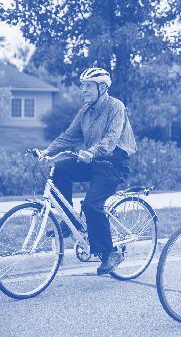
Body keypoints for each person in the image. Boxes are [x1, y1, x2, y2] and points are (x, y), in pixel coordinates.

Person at [39, 67, 137, 275]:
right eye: (82, 86)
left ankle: (110, 253)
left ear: (102, 88)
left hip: (114, 163)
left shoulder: (115, 107)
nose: (83, 90)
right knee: (61, 168)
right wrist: (47, 151)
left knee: (92, 204)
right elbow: (69, 136)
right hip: (93, 160)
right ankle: (70, 221)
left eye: (88, 86)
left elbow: (111, 138)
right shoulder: (85, 112)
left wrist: (92, 152)